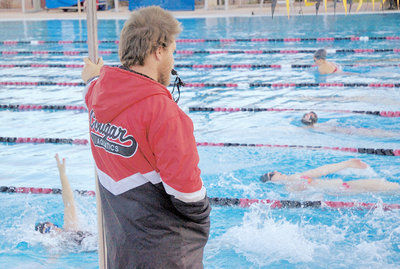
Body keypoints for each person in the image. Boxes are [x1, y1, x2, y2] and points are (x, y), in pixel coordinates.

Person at [81, 6, 211, 268]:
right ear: (158, 50)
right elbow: (188, 196)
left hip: (121, 247)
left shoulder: (99, 95)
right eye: (172, 51)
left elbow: (92, 84)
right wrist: (201, 219)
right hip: (163, 253)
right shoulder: (165, 114)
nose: (173, 61)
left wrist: (94, 77)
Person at [35, 154, 92, 245]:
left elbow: (69, 201)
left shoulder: (70, 229)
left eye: (51, 227)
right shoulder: (58, 245)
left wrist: (62, 174)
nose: (53, 230)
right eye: (49, 231)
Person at [260, 158, 400, 193]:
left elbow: (320, 171)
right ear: (271, 181)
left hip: (348, 187)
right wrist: (347, 163)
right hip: (347, 190)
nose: (276, 171)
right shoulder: (290, 185)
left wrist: (348, 163)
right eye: (272, 174)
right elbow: (320, 171)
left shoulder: (292, 182)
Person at [301, 111, 400, 139]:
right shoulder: (318, 125)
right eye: (307, 114)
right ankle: (394, 134)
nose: (306, 114)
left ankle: (395, 134)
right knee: (372, 132)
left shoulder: (311, 128)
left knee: (373, 133)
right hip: (344, 130)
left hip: (345, 131)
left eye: (308, 115)